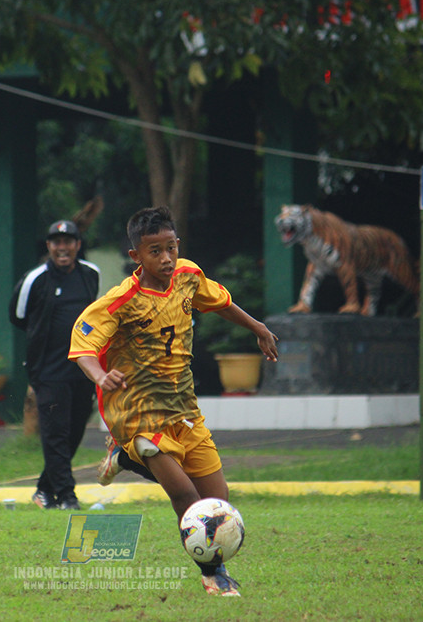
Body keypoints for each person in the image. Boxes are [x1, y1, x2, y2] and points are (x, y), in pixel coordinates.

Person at [69, 206, 278, 596]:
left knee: (218, 500)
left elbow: (220, 302)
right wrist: (101, 375)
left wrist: (257, 327)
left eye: (171, 247)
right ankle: (213, 573)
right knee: (185, 496)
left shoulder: (188, 277)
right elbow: (83, 346)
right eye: (155, 251)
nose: (166, 258)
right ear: (136, 256)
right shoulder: (122, 299)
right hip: (138, 413)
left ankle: (127, 458)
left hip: (184, 408)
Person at [9, 219, 100, 510]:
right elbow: (18, 316)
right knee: (55, 432)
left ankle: (44, 490)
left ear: (77, 245)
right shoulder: (35, 279)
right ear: (49, 246)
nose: (63, 248)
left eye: (68, 242)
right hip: (48, 371)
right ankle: (67, 496)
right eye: (56, 243)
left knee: (74, 431)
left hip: (83, 368)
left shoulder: (90, 274)